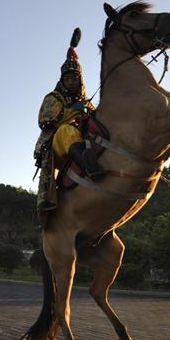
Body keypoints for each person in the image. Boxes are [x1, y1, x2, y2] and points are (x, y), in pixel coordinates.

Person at [33, 28, 104, 213]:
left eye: (74, 78)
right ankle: (88, 164)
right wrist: (72, 112)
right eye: (67, 79)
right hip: (57, 145)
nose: (71, 82)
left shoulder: (86, 102)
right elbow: (47, 122)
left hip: (84, 138)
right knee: (66, 130)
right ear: (62, 81)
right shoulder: (53, 97)